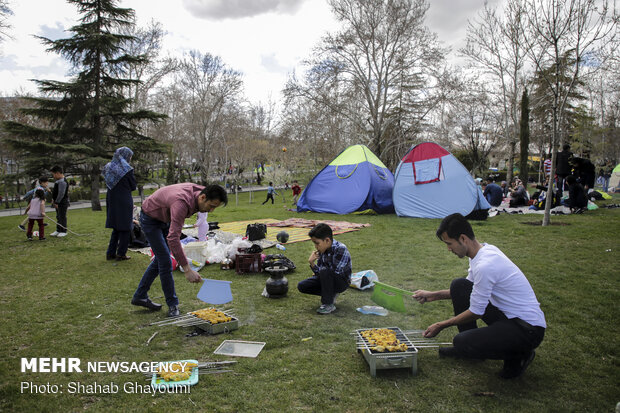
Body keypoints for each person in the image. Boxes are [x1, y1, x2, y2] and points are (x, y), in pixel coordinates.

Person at [412, 213, 546, 379]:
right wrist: (434, 295)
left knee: (461, 341)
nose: (448, 249)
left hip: (527, 330)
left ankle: (521, 354)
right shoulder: (482, 252)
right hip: (509, 317)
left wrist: (441, 324)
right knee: (459, 285)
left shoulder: (485, 265)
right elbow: (469, 291)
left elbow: (477, 311)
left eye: (449, 243)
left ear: (463, 238)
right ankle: (472, 351)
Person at [131, 183, 228, 317]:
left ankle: (140, 296)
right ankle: (173, 305)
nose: (211, 210)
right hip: (150, 217)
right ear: (203, 197)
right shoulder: (181, 203)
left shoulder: (201, 192)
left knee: (161, 259)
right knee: (165, 261)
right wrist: (187, 270)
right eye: (211, 206)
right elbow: (173, 238)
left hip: (165, 217)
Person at [297, 223, 352, 314]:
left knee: (325, 271)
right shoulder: (322, 250)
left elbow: (332, 272)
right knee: (302, 286)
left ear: (327, 240)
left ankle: (328, 304)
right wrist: (312, 263)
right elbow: (321, 273)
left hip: (341, 282)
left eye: (317, 243)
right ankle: (330, 295)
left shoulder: (341, 249)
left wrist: (316, 269)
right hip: (327, 278)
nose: (315, 246)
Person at [103, 147, 137, 261]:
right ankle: (121, 253)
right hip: (124, 199)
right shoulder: (127, 169)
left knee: (116, 227)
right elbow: (133, 186)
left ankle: (110, 253)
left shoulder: (108, 167)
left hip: (112, 199)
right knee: (126, 227)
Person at [50, 166, 70, 237]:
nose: (53, 176)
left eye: (53, 174)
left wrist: (57, 202)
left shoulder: (62, 182)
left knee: (62, 216)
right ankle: (58, 230)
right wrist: (53, 199)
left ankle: (63, 230)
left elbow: (61, 193)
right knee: (58, 216)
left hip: (62, 202)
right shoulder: (58, 181)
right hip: (57, 202)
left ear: (58, 173)